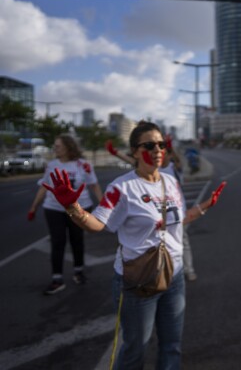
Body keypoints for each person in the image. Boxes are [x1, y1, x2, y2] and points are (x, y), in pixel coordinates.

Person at [42, 121, 226, 369]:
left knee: (172, 346)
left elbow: (178, 220)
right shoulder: (122, 188)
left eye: (161, 144)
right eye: (149, 145)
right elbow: (98, 223)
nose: (158, 149)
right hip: (138, 279)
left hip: (174, 274)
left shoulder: (170, 181)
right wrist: (73, 208)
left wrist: (204, 206)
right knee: (134, 350)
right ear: (134, 152)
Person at [106, 134, 198, 281]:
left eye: (164, 152)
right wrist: (115, 153)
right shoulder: (150, 169)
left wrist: (170, 146)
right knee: (155, 245)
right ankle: (160, 272)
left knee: (181, 241)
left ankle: (188, 269)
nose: (160, 154)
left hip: (175, 214)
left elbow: (178, 160)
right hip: (155, 215)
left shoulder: (173, 168)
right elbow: (132, 160)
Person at [27, 134, 103, 295]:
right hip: (54, 208)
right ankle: (57, 279)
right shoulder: (52, 165)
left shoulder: (84, 165)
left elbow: (94, 186)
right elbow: (43, 187)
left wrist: (104, 206)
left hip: (79, 209)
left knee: (77, 239)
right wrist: (34, 207)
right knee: (58, 241)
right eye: (55, 146)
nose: (55, 149)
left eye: (58, 146)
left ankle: (79, 271)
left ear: (69, 147)